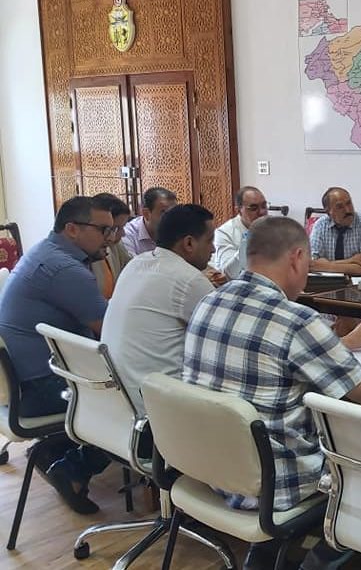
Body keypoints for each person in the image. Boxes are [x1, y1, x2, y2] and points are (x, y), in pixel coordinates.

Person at [182, 217, 361, 569]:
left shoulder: (209, 302)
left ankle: (268, 555)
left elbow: (268, 358)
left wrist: (341, 343)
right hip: (276, 485)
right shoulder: (296, 319)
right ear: (298, 258)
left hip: (211, 468)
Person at [0, 196, 113, 514]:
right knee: (136, 403)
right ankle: (72, 469)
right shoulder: (65, 268)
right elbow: (109, 329)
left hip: (22, 382)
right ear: (72, 229)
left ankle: (55, 451)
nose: (110, 237)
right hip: (39, 388)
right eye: (103, 230)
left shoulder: (45, 251)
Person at [102, 204, 217, 415]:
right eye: (210, 240)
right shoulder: (189, 280)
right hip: (158, 409)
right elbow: (223, 337)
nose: (214, 249)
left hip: (117, 401)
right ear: (189, 243)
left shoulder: (136, 264)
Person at [308, 187, 361, 276]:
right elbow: (311, 264)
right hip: (328, 282)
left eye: (349, 203)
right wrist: (351, 261)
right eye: (340, 207)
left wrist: (324, 265)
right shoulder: (320, 225)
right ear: (329, 212)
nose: (348, 210)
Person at [213, 186, 269, 280]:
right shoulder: (224, 232)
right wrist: (247, 243)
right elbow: (229, 273)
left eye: (264, 206)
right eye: (254, 208)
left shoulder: (273, 227)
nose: (262, 212)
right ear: (238, 210)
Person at [91, 193, 133, 299]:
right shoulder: (86, 253)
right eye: (115, 228)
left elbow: (133, 266)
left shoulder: (115, 245)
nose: (123, 233)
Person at [122, 186, 178, 255]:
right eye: (165, 213)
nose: (172, 219)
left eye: (175, 213)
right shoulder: (127, 235)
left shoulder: (180, 232)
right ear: (146, 214)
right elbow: (132, 262)